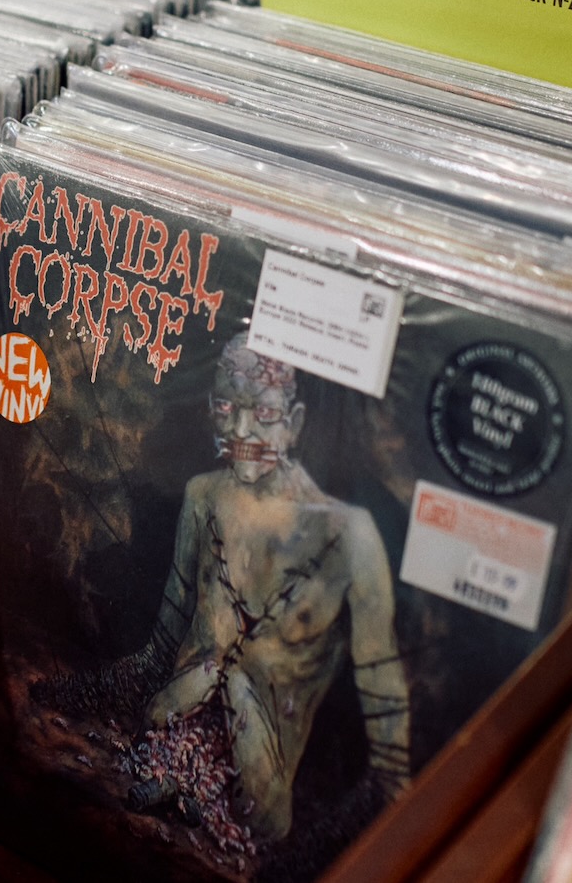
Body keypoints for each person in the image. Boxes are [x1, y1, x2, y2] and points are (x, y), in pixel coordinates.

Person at [114, 334, 412, 845]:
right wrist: (112, 690)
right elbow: (165, 637)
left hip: (259, 782)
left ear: (293, 423)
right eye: (226, 409)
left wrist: (392, 800)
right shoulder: (203, 496)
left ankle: (197, 794)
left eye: (264, 413)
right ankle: (178, 784)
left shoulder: (349, 537)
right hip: (168, 726)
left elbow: (382, 686)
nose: (240, 430)